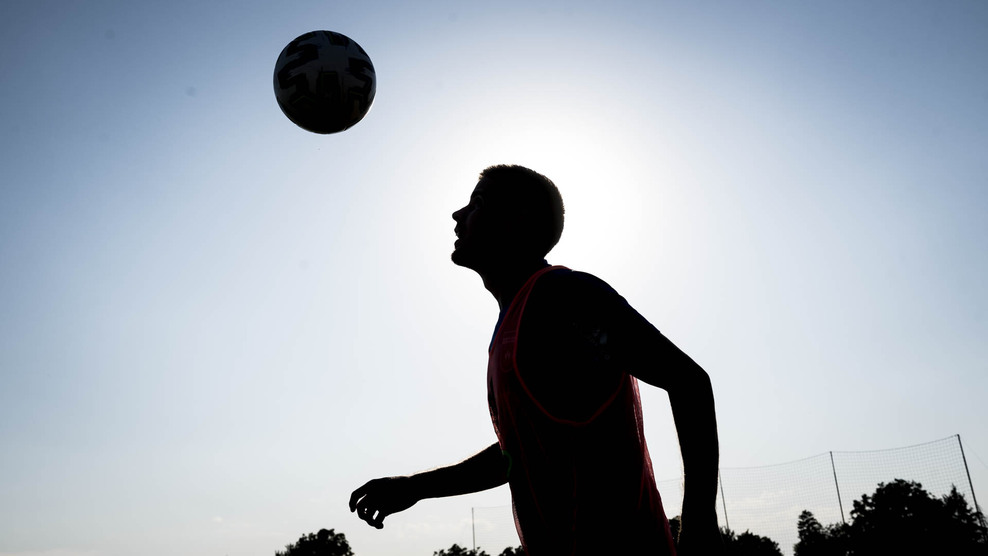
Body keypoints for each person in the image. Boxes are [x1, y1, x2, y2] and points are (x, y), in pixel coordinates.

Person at [350, 165, 722, 555]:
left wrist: (699, 520)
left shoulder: (563, 296)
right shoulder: (513, 323)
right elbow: (514, 456)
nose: (457, 214)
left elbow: (688, 381)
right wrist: (415, 487)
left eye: (477, 203)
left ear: (516, 221)